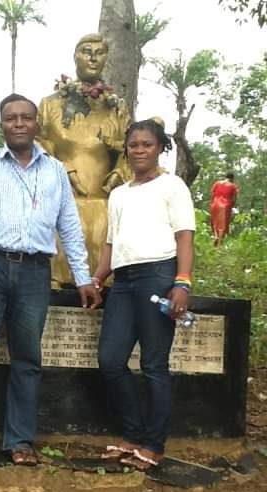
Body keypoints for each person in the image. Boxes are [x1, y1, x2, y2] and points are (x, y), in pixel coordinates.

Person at [0, 93, 101, 466]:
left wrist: (83, 277)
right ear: (2, 125)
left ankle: (19, 441)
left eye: (25, 117)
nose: (18, 124)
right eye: (11, 118)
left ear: (36, 124)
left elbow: (70, 228)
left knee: (27, 356)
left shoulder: (56, 171)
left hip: (34, 270)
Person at [93, 119, 196, 471]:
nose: (139, 150)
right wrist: (96, 280)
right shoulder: (119, 193)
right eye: (133, 144)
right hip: (122, 282)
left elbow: (184, 236)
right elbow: (111, 244)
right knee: (110, 359)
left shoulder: (173, 186)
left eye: (147, 144)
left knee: (154, 365)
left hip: (158, 275)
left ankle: (153, 445)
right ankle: (132, 436)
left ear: (160, 147)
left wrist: (182, 282)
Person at [37, 33, 131, 285]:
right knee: (57, 273)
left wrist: (118, 174)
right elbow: (38, 143)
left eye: (99, 52)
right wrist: (61, 168)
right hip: (61, 201)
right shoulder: (50, 105)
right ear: (74, 56)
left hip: (102, 201)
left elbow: (131, 150)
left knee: (103, 274)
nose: (92, 57)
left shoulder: (117, 107)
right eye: (86, 51)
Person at [210, 172, 238, 245]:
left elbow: (212, 194)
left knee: (215, 222)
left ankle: (216, 236)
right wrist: (231, 206)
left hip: (215, 204)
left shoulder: (217, 183)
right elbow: (234, 199)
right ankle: (219, 244)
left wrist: (213, 203)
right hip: (225, 206)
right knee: (223, 225)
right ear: (232, 179)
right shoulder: (233, 186)